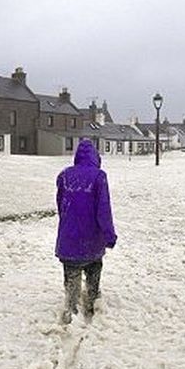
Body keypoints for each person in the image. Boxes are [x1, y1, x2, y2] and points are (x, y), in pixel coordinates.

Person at [55, 138, 117, 324]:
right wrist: (109, 236)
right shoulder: (99, 176)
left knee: (72, 274)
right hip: (92, 241)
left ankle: (71, 309)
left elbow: (61, 206)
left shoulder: (64, 176)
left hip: (69, 240)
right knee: (93, 270)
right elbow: (103, 209)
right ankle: (91, 304)